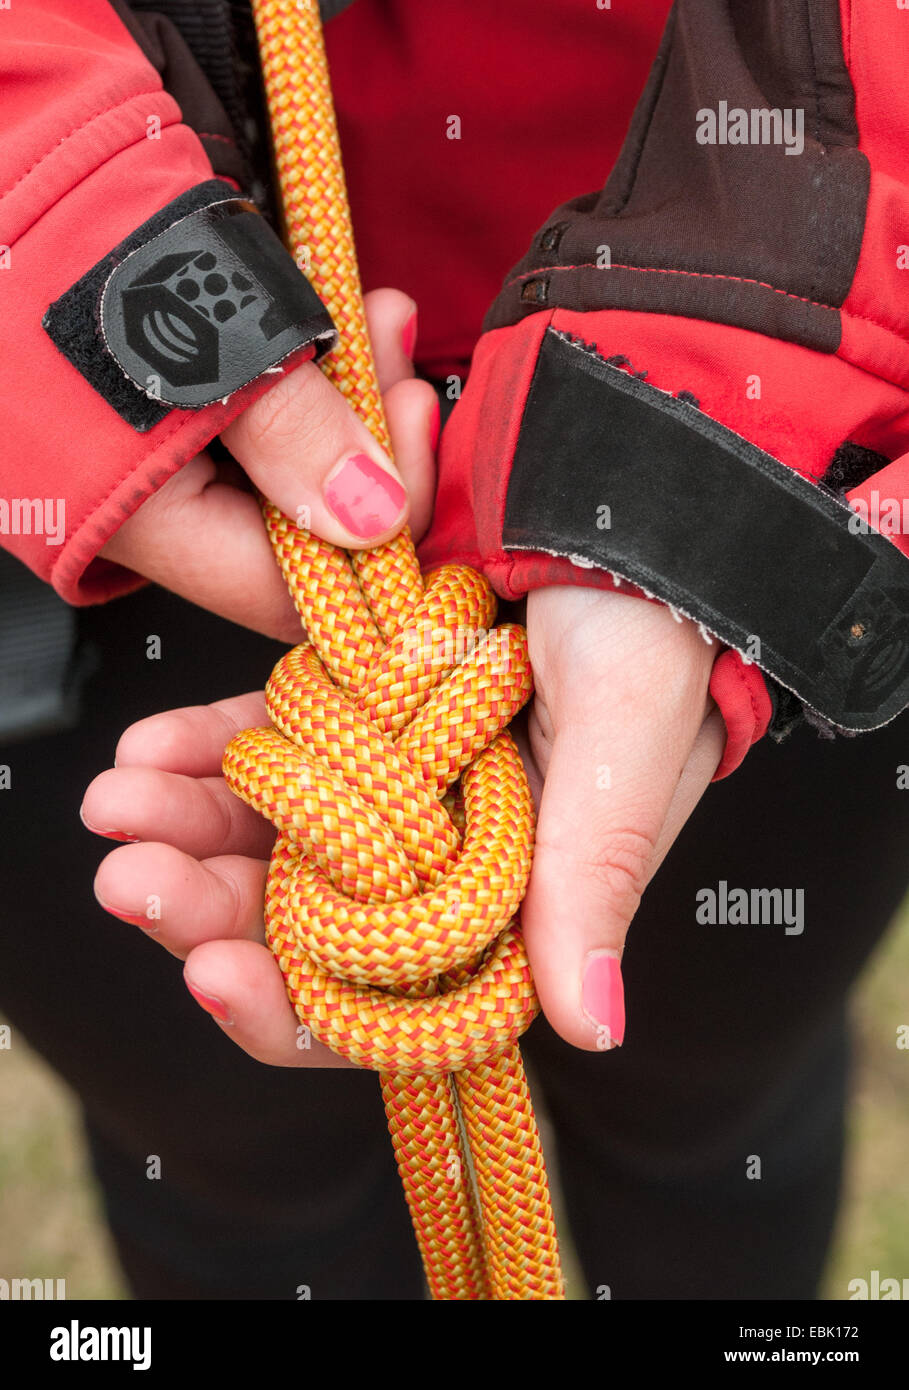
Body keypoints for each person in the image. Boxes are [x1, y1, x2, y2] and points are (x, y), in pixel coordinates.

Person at [1, 0, 906, 1299]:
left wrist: (754, 380)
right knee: (239, 1171)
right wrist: (59, 232)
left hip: (755, 432)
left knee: (708, 1113)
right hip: (95, 461)